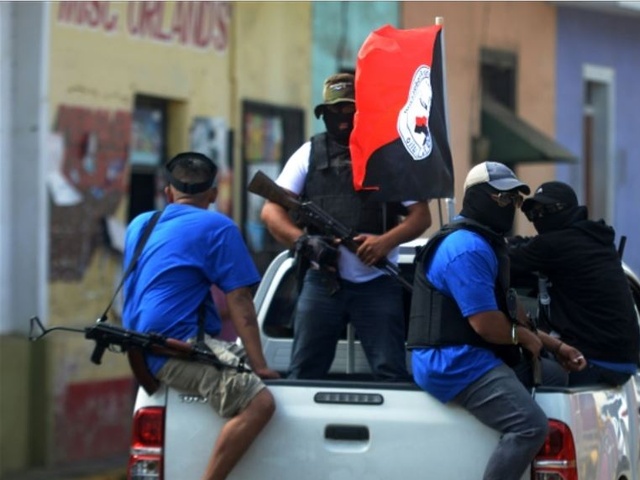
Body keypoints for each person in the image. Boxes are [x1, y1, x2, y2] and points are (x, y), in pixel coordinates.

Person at [407, 162, 586, 480]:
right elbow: (486, 324)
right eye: (502, 199)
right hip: (451, 361)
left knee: (554, 375)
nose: (511, 208)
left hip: (467, 353)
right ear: (477, 197)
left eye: (515, 201)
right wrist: (522, 337)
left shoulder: (486, 242)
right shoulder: (467, 248)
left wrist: (554, 346)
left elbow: (507, 307)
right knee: (531, 425)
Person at [260, 73, 431, 381]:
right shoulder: (309, 154)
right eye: (334, 112)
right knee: (304, 374)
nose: (342, 119)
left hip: (376, 282)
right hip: (322, 281)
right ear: (323, 114)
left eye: (349, 111)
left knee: (391, 373)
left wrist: (384, 243)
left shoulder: (387, 157)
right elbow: (271, 211)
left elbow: (421, 216)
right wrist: (303, 242)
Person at [122, 152, 279, 480]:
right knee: (261, 404)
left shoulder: (141, 224)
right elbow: (240, 302)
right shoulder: (218, 226)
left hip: (142, 348)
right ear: (214, 194)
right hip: (175, 348)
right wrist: (260, 364)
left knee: (239, 364)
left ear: (168, 193)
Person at [507, 181, 640, 387]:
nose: (540, 218)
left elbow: (506, 258)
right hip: (619, 362)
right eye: (533, 214)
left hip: (592, 360)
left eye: (547, 210)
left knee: (498, 374)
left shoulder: (558, 245)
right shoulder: (589, 240)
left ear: (569, 210)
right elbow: (526, 245)